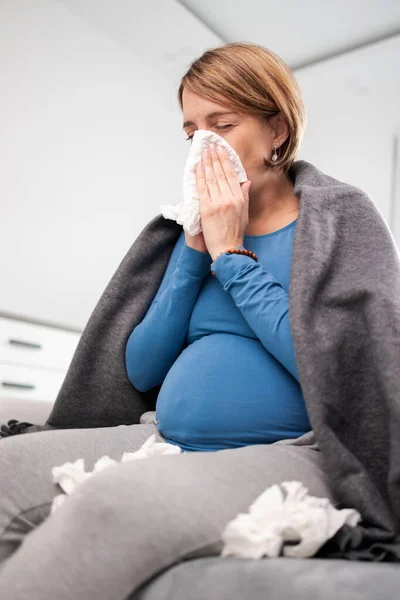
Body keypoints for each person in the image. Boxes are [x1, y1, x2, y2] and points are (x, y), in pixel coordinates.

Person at [0, 42, 339, 598]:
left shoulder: (330, 225)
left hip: (287, 452)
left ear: (276, 129)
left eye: (222, 124)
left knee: (113, 505)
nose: (202, 146)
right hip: (163, 436)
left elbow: (327, 365)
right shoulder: (192, 228)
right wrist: (194, 250)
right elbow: (141, 367)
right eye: (190, 133)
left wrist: (232, 259)